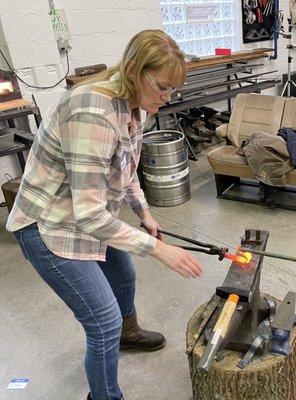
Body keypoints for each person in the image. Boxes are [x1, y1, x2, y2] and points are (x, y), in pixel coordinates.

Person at [6, 30, 204, 400]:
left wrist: (144, 213)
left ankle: (128, 335)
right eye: (162, 87)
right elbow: (90, 216)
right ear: (134, 71)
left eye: (173, 90)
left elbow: (126, 169)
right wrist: (160, 251)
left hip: (84, 213)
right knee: (102, 322)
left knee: (123, 274)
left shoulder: (136, 105)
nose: (166, 98)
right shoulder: (92, 113)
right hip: (48, 225)